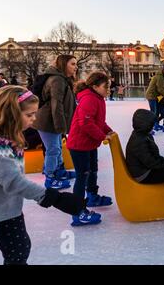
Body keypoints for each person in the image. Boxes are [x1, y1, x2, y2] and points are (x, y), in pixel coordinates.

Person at [0, 86, 84, 265]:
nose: (34, 119)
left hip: (9, 210)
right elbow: (13, 182)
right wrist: (53, 198)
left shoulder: (11, 138)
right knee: (18, 253)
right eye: (29, 115)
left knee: (20, 250)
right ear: (11, 114)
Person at [66, 72, 115, 226]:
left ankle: (92, 196)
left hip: (89, 143)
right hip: (79, 144)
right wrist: (102, 136)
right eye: (105, 86)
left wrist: (108, 130)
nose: (108, 89)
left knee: (93, 170)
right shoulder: (89, 99)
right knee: (82, 176)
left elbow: (98, 121)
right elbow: (85, 123)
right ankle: (78, 212)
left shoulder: (97, 98)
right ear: (95, 86)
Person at [33, 55, 77, 190]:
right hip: (47, 121)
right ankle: (50, 178)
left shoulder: (62, 79)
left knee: (57, 147)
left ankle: (59, 171)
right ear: (64, 65)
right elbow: (56, 105)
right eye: (73, 64)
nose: (76, 67)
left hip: (52, 121)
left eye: (76, 64)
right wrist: (61, 127)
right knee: (53, 150)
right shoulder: (57, 80)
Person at [145, 66, 164, 132]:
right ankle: (151, 127)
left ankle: (156, 124)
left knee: (156, 112)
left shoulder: (160, 77)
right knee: (153, 112)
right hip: (151, 96)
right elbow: (160, 89)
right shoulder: (159, 77)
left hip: (154, 96)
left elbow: (161, 88)